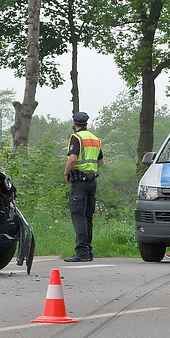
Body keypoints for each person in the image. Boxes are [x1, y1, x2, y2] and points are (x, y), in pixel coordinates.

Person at [63, 111, 104, 262]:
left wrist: (66, 172)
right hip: (92, 181)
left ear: (74, 124)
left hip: (79, 182)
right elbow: (100, 162)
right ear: (86, 123)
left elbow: (72, 158)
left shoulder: (76, 137)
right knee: (88, 216)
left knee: (78, 215)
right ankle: (88, 250)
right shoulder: (94, 139)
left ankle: (81, 252)